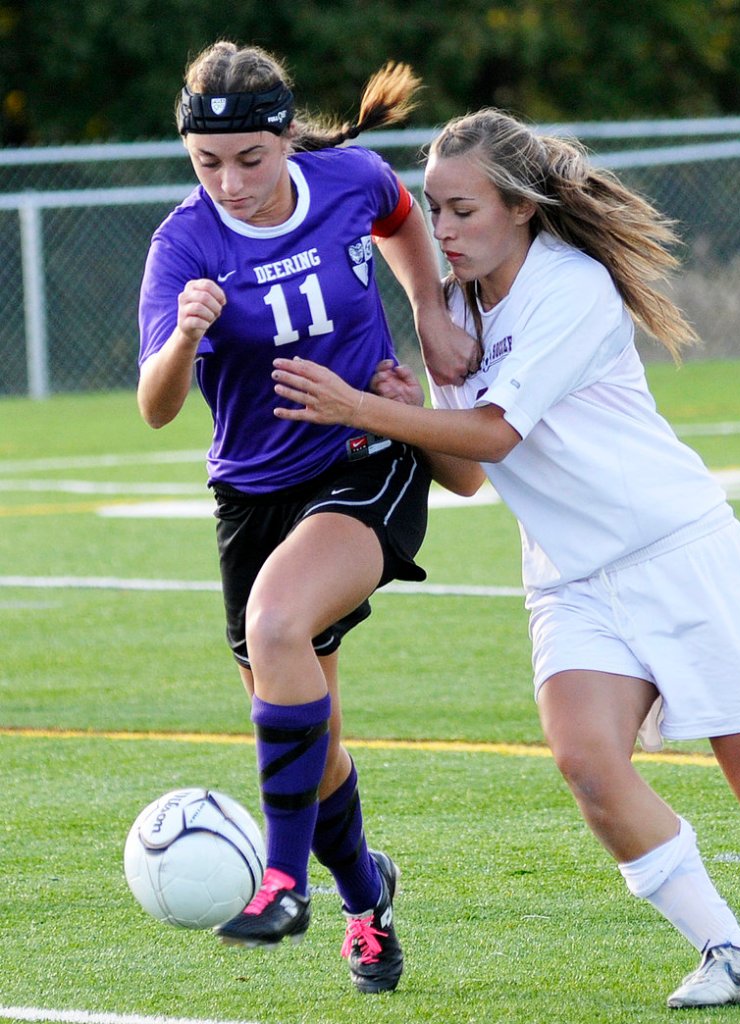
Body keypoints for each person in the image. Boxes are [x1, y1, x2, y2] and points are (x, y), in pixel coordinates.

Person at [270, 108, 740, 1009]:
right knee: (586, 762)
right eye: (431, 211)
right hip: (570, 580)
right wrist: (404, 395)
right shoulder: (457, 310)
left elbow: (496, 434)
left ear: (521, 207)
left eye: (461, 211)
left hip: (674, 553)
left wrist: (360, 407)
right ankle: (729, 951)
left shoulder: (570, 285)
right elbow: (466, 472)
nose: (441, 233)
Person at [136, 40, 476, 995]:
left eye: (250, 159)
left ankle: (282, 880)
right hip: (252, 496)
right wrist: (187, 337)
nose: (232, 184)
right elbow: (156, 405)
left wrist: (429, 312)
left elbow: (402, 220)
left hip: (362, 457)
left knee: (275, 624)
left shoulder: (346, 179)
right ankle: (367, 899)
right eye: (209, 165)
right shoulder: (183, 245)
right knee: (312, 734)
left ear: (285, 139)